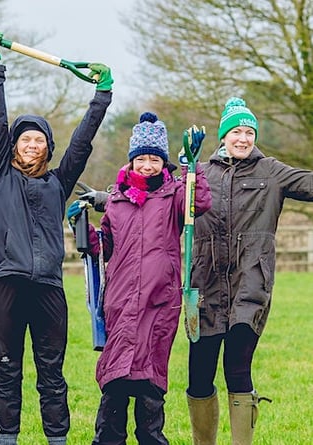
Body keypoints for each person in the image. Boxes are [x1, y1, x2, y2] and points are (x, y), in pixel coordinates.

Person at [0, 25, 113, 445]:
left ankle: (57, 438)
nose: (32, 144)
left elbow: (82, 142)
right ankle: (8, 438)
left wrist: (101, 98)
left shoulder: (59, 181)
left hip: (49, 289)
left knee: (52, 373)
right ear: (15, 146)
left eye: (39, 140)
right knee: (7, 367)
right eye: (25, 139)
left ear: (47, 148)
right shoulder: (0, 173)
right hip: (8, 284)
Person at [67, 113, 212, 444]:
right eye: (142, 159)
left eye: (155, 159)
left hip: (159, 304)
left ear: (164, 162)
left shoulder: (175, 194)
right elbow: (105, 248)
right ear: (131, 161)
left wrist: (192, 166)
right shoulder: (116, 203)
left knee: (149, 387)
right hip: (120, 303)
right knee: (115, 386)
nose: (148, 165)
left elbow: (200, 202)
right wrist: (80, 227)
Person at [186, 97, 313, 445]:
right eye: (236, 131)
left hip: (250, 286)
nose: (243, 138)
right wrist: (106, 199)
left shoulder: (270, 171)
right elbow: (154, 196)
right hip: (204, 287)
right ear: (223, 135)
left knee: (237, 368)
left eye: (249, 132)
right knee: (199, 375)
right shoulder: (200, 173)